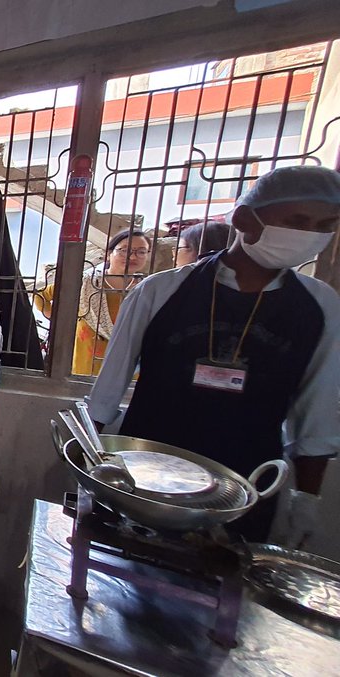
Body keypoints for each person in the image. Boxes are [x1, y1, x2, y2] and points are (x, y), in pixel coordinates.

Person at [90, 165, 340, 545]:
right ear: (244, 218)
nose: (311, 235)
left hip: (246, 480)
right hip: (148, 465)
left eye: (326, 225)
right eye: (297, 221)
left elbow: (316, 411)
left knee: (224, 582)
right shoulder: (161, 292)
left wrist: (306, 497)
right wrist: (90, 463)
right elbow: (106, 393)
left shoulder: (319, 306)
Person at [64, 230, 151, 376]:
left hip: (130, 361)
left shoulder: (148, 288)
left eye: (141, 251)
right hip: (89, 360)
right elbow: (43, 297)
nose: (132, 256)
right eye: (124, 250)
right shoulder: (87, 282)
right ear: (109, 254)